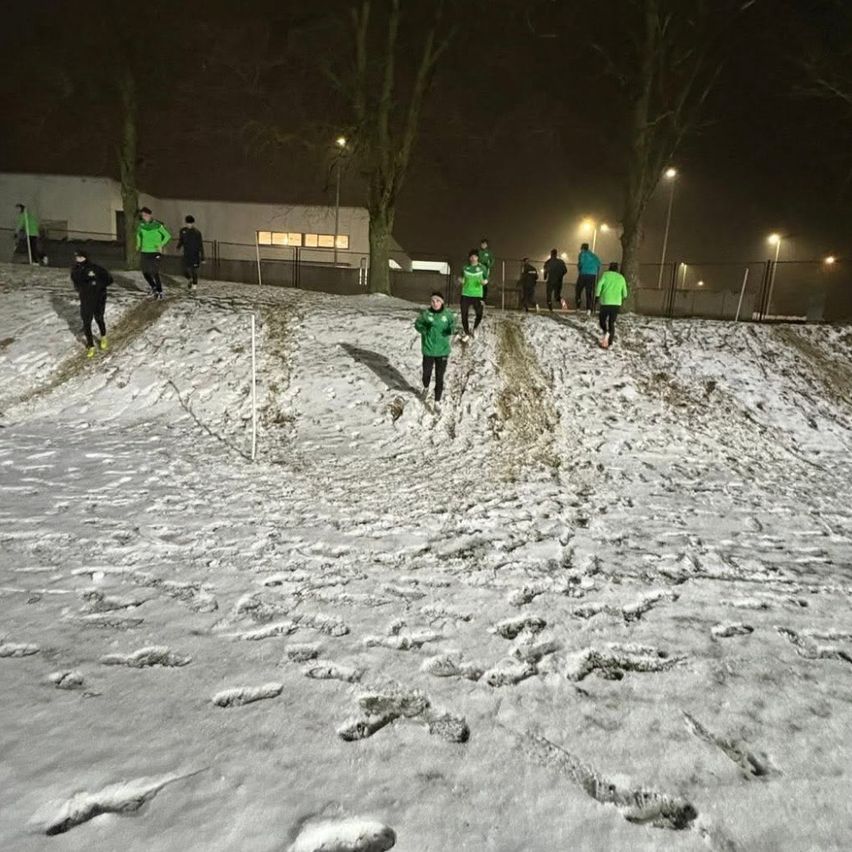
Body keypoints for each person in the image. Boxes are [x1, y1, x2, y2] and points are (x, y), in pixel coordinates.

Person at [414, 291, 456, 408]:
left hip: (442, 350)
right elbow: (417, 324)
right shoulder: (426, 314)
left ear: (442, 302)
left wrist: (450, 329)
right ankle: (426, 387)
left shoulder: (447, 314)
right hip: (428, 349)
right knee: (426, 373)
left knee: (439, 376)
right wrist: (423, 328)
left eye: (437, 301)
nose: (435, 303)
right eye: (433, 301)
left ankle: (437, 401)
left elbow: (453, 323)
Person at [70, 248, 113, 359]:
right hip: (86, 299)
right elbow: (76, 284)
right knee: (86, 322)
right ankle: (91, 345)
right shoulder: (75, 270)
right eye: (77, 257)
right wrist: (83, 286)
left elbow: (109, 279)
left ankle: (103, 336)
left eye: (81, 257)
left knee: (99, 318)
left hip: (99, 297)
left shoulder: (95, 268)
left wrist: (97, 284)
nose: (78, 259)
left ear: (86, 257)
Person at [136, 207, 171, 299]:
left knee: (154, 272)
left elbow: (167, 236)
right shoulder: (141, 225)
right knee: (145, 272)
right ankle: (153, 287)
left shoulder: (157, 225)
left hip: (155, 252)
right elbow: (138, 236)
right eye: (143, 215)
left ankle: (160, 291)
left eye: (146, 215)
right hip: (144, 251)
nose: (144, 217)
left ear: (150, 215)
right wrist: (138, 245)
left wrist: (161, 245)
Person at [595, 261, 629, 349]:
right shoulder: (621, 277)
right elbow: (625, 293)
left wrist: (597, 295)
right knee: (611, 322)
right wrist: (623, 296)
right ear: (617, 269)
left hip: (605, 301)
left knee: (602, 320)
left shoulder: (605, 275)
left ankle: (606, 331)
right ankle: (609, 343)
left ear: (609, 267)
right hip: (616, 303)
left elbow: (599, 285)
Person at [459, 249, 487, 341]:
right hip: (465, 294)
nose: (473, 258)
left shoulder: (482, 268)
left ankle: (475, 328)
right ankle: (466, 332)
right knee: (464, 314)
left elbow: (486, 279)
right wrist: (461, 280)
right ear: (469, 258)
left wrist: (484, 282)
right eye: (471, 256)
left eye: (475, 256)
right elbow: (461, 278)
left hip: (477, 295)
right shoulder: (465, 267)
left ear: (478, 257)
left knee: (479, 314)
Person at [176, 214, 204, 290]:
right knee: (184, 270)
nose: (189, 225)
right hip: (186, 254)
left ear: (193, 223)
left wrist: (202, 257)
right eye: (188, 223)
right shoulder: (183, 231)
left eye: (190, 223)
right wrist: (178, 246)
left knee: (194, 271)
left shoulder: (197, 233)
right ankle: (189, 279)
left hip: (195, 255)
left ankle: (194, 287)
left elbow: (200, 245)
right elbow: (181, 240)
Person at [576, 242, 601, 313]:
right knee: (589, 292)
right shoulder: (594, 255)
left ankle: (578, 308)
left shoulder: (582, 254)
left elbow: (581, 263)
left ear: (582, 248)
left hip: (583, 274)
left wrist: (579, 268)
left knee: (578, 291)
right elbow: (599, 264)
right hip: (592, 275)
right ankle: (589, 309)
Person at [478, 238, 494, 303]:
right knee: (478, 283)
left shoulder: (489, 252)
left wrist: (489, 265)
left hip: (485, 269)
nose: (483, 245)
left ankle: (483, 299)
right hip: (478, 269)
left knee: (485, 283)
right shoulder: (478, 252)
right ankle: (477, 298)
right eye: (482, 244)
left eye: (484, 244)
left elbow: (492, 260)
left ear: (486, 245)